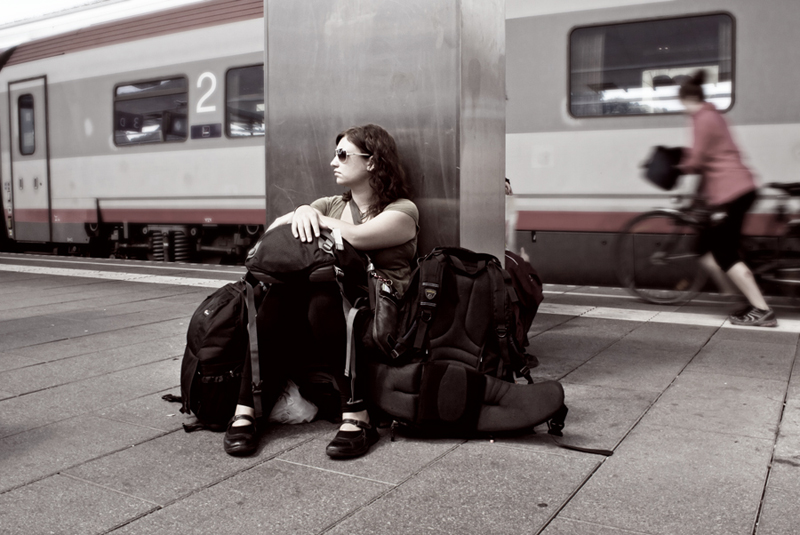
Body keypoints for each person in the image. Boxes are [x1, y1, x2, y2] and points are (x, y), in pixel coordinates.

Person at [224, 124, 419, 458]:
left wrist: (316, 217)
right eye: (334, 154)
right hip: (331, 305)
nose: (333, 161)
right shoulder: (330, 204)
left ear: (372, 162)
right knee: (280, 295)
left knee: (322, 299)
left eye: (343, 154)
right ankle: (245, 409)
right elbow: (274, 234)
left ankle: (357, 416)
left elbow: (360, 237)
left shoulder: (402, 210)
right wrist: (302, 210)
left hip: (382, 311)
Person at [678, 70, 776, 327]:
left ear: (688, 99)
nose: (683, 110)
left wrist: (679, 166)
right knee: (712, 245)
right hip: (740, 189)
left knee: (723, 251)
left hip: (732, 192)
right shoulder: (715, 115)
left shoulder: (702, 117)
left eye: (682, 105)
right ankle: (742, 298)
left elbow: (697, 159)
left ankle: (761, 310)